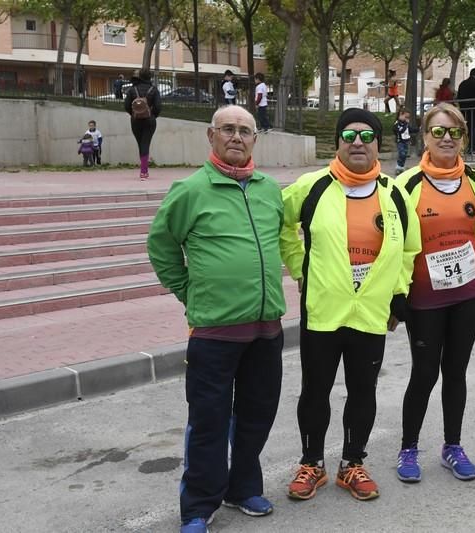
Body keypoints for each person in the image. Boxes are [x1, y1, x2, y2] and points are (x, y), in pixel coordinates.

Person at [147, 106, 285, 533]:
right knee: (209, 420)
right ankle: (198, 506)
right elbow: (161, 246)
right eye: (228, 129)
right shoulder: (190, 190)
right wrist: (190, 293)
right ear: (211, 136)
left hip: (266, 328)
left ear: (254, 140)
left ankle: (242, 488)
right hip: (214, 332)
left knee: (256, 415)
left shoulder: (268, 189)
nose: (237, 137)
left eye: (245, 131)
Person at [281, 108, 420, 502]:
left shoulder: (394, 193)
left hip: (371, 313)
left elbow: (409, 249)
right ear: (337, 143)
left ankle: (352, 463)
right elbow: (279, 222)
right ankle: (312, 464)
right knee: (315, 390)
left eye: (366, 135)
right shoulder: (313, 186)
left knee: (363, 390)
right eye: (348, 135)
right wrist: (297, 266)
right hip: (323, 310)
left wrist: (398, 294)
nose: (357, 142)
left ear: (379, 143)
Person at [394, 103, 475, 483]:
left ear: (463, 137)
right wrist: (397, 297)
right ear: (424, 137)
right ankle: (408, 449)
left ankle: (453, 446)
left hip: (469, 293)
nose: (446, 138)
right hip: (426, 299)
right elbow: (396, 246)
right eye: (438, 132)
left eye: (454, 132)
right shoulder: (407, 185)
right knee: (425, 373)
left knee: (456, 372)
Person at [124, 69, 161, 181]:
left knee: (141, 143)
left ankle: (144, 168)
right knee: (145, 143)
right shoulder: (153, 90)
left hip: (135, 121)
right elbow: (158, 107)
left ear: (139, 76)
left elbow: (126, 106)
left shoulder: (132, 90)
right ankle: (144, 171)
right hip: (150, 121)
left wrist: (135, 114)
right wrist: (152, 115)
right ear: (150, 77)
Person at [392, 107, 414, 175]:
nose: (407, 119)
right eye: (406, 117)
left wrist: (418, 129)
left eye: (408, 117)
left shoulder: (405, 124)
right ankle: (398, 167)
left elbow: (410, 130)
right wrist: (406, 125)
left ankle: (401, 167)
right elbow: (400, 131)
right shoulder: (397, 123)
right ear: (401, 115)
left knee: (405, 155)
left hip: (406, 141)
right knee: (402, 154)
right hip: (400, 141)